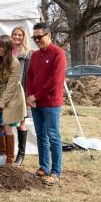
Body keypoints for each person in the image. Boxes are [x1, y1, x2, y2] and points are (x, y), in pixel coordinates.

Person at [26, 22, 66, 185]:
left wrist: (36, 96)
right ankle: (44, 167)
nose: (36, 40)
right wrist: (29, 96)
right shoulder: (35, 55)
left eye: (39, 37)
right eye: (34, 37)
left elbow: (54, 81)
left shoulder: (59, 54)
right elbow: (29, 77)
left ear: (49, 35)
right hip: (36, 103)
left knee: (53, 136)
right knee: (41, 135)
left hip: (51, 103)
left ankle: (56, 172)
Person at [0, 35, 27, 166]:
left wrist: (0, 105)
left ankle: (9, 159)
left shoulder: (15, 63)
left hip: (13, 96)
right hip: (0, 93)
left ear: (8, 47)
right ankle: (2, 155)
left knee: (7, 125)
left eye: (1, 46)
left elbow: (10, 87)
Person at [12, 26, 33, 166]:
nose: (17, 37)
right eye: (15, 34)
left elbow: (30, 76)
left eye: (20, 35)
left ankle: (21, 154)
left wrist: (27, 95)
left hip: (22, 92)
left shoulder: (28, 54)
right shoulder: (8, 50)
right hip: (8, 92)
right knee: (7, 123)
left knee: (21, 123)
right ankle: (7, 153)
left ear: (24, 36)